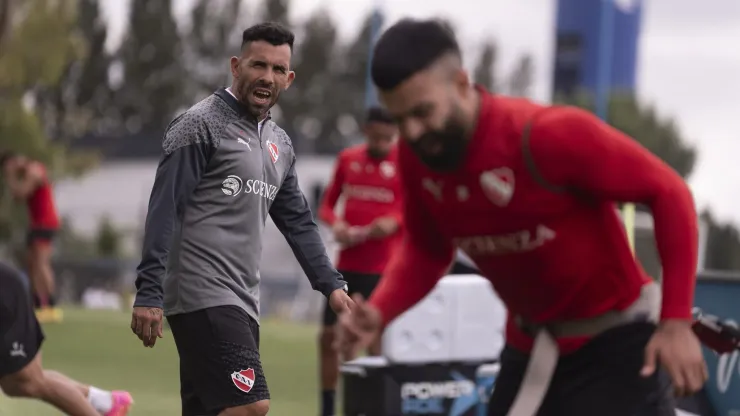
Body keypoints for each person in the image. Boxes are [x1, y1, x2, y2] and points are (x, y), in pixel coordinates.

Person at [337, 18, 707, 416]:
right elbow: (428, 250)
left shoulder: (547, 135)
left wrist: (675, 322)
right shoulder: (417, 156)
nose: (411, 131)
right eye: (401, 119)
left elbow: (669, 192)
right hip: (529, 348)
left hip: (613, 347)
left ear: (461, 84)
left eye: (424, 112)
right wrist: (380, 310)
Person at [131, 22, 354, 416]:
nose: (267, 77)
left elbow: (298, 222)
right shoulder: (199, 125)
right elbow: (164, 208)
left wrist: (331, 285)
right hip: (201, 293)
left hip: (244, 298)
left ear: (290, 78)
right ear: (236, 66)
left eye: (278, 69)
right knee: (251, 405)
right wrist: (149, 290)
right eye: (258, 65)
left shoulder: (280, 144)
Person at [316, 106, 401, 416]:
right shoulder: (349, 159)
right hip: (346, 268)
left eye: (388, 138)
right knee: (328, 338)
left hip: (382, 269)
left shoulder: (405, 164)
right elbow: (326, 206)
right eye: (376, 137)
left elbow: (414, 211)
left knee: (376, 344)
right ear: (366, 131)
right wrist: (336, 224)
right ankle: (326, 409)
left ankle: (378, 408)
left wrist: (395, 221)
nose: (381, 144)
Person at [0, 261, 132, 415]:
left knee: (28, 381)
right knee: (14, 384)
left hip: (5, 295)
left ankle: (105, 403)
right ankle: (104, 401)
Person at [0, 152, 62, 323]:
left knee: (42, 263)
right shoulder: (28, 173)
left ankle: (51, 306)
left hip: (45, 222)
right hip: (36, 224)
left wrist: (11, 176)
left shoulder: (34, 170)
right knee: (33, 264)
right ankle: (38, 304)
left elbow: (20, 194)